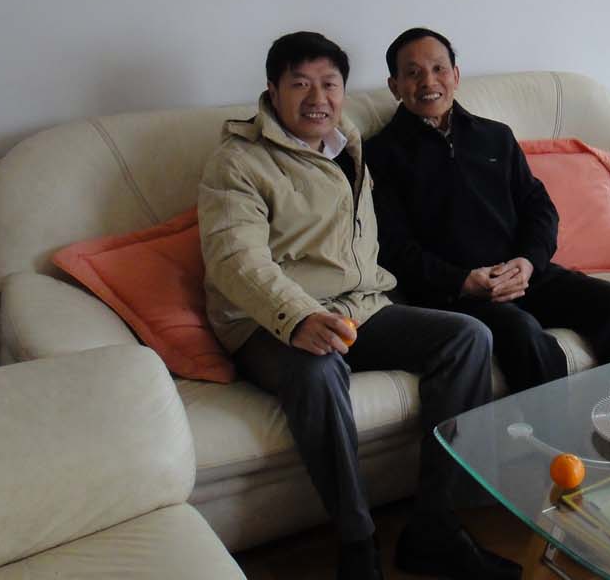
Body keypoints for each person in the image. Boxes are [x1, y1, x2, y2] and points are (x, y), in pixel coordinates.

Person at [198, 32, 519, 580]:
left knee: (468, 337)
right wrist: (299, 316)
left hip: (359, 307)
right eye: (300, 84)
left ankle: (435, 528)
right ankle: (357, 540)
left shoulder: (349, 144)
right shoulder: (238, 163)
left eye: (329, 84)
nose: (317, 98)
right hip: (268, 321)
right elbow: (235, 259)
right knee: (317, 369)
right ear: (272, 91)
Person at [364, 27, 610, 392]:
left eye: (439, 69)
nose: (429, 82)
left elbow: (539, 208)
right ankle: (555, 431)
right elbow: (393, 247)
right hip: (453, 293)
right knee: (523, 335)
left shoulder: (495, 136)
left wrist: (528, 262)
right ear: (394, 86)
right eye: (413, 73)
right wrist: (462, 281)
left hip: (523, 274)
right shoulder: (379, 155)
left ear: (456, 75)